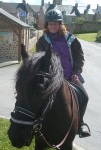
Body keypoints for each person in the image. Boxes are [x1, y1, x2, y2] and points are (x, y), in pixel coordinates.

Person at [36, 9, 91, 138]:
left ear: (60, 24)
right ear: (47, 25)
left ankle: (80, 123)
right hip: (51, 77)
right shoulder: (42, 41)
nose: (52, 26)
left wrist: (76, 72)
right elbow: (39, 59)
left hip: (70, 75)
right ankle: (35, 122)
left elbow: (79, 57)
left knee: (84, 96)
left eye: (55, 24)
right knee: (37, 96)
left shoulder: (71, 39)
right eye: (50, 24)